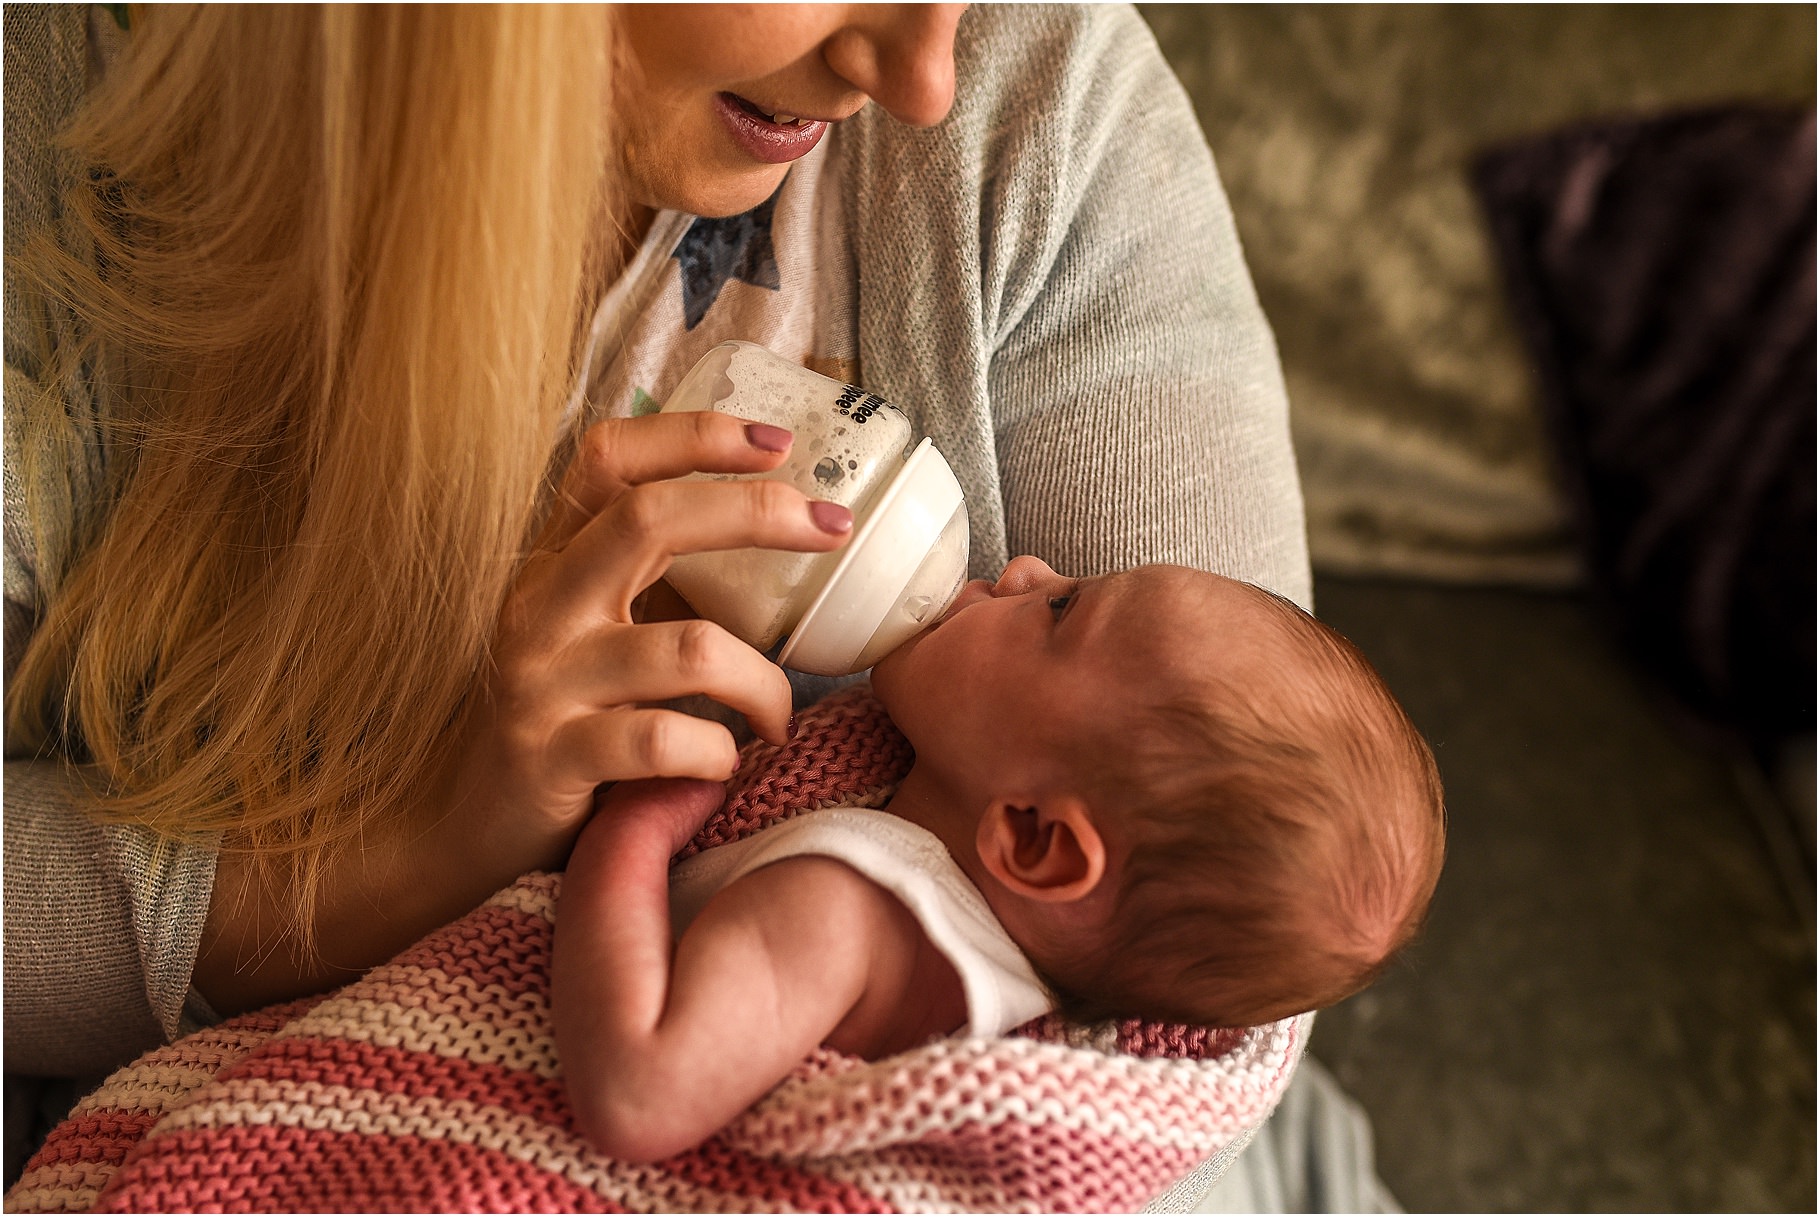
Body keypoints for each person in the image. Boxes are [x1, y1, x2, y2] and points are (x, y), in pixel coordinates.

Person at [4, 4, 1309, 1198]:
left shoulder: (1035, 103)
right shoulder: (46, 130)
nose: (921, 75)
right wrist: (418, 854)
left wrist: (640, 818)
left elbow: (1225, 981)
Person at [551, 556, 1444, 1163]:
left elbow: (638, 1096)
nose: (1027, 568)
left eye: (1060, 609)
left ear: (1033, 839)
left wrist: (630, 834)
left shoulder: (845, 912)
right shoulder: (981, 955)